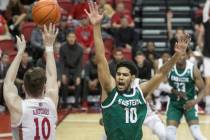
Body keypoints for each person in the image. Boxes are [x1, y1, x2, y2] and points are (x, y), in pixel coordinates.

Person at [85, 1, 189, 140]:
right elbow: (101, 59)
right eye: (119, 74)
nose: (120, 77)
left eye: (125, 75)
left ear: (132, 78)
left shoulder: (140, 91)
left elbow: (160, 73)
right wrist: (96, 26)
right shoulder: (110, 89)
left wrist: (176, 56)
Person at [3, 24, 58, 139]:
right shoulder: (51, 102)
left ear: (23, 88)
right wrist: (49, 47)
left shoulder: (19, 107)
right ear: (44, 87)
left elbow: (8, 82)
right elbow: (52, 76)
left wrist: (20, 52)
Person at [166, 48, 207, 140]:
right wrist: (173, 90)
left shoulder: (193, 69)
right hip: (174, 104)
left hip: (189, 104)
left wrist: (194, 102)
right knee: (169, 135)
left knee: (197, 135)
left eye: (183, 55)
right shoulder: (169, 67)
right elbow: (160, 84)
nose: (180, 57)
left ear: (188, 56)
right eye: (178, 54)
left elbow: (203, 90)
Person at [203, 0, 210, 114]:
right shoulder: (207, 23)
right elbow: (204, 12)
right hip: (207, 57)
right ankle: (208, 105)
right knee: (208, 82)